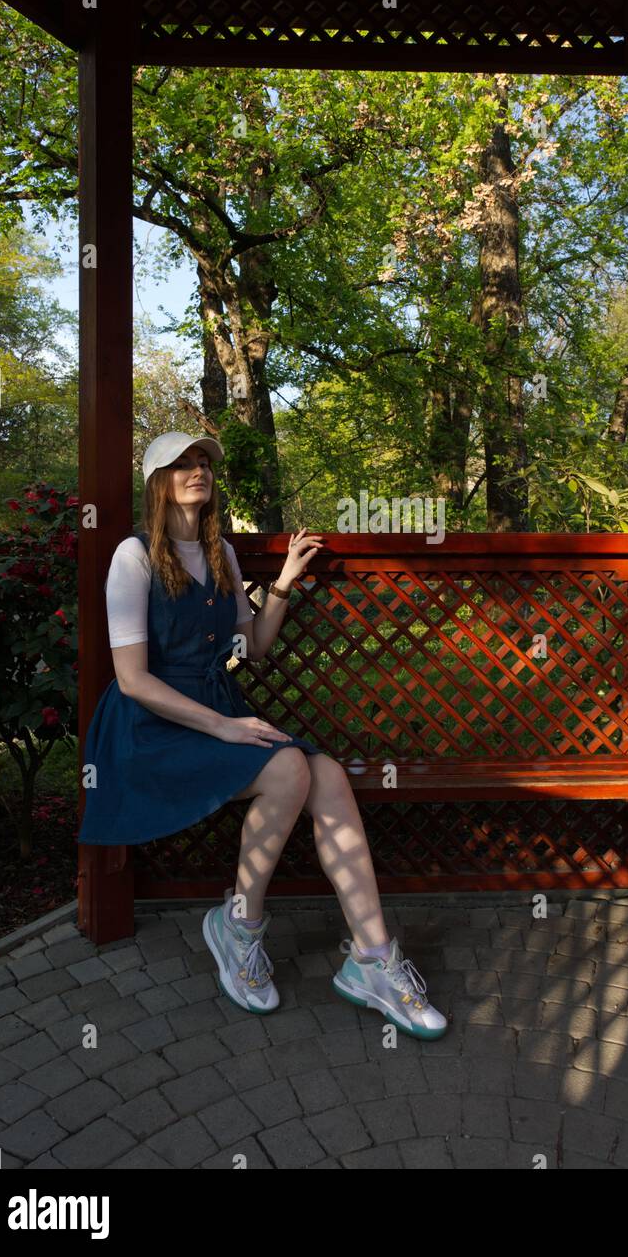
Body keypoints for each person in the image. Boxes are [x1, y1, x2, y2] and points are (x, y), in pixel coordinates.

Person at [77, 430, 447, 1039]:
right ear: (158, 482)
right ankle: (239, 925)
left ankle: (373, 958)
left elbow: (254, 648)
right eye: (184, 464)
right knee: (290, 769)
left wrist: (283, 583)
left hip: (218, 712)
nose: (199, 470)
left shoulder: (221, 551)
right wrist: (224, 725)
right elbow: (134, 680)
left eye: (204, 463)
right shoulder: (133, 556)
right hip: (151, 727)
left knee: (322, 773)